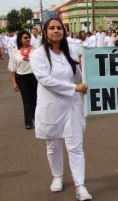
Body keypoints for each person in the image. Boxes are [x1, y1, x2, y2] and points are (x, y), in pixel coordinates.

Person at [29, 18, 92, 200]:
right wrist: (74, 88)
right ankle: (57, 176)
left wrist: (87, 80)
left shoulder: (69, 52)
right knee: (53, 145)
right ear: (45, 32)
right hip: (51, 106)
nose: (56, 31)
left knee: (76, 146)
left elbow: (78, 75)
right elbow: (45, 80)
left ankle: (80, 186)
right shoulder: (38, 54)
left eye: (59, 28)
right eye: (52, 28)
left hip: (71, 105)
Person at [8, 30, 37, 129]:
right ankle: (28, 122)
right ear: (20, 39)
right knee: (27, 100)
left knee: (35, 99)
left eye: (29, 37)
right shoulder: (15, 53)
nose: (28, 39)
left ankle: (37, 119)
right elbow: (13, 68)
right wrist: (14, 82)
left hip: (34, 77)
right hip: (21, 78)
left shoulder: (35, 50)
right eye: (25, 38)